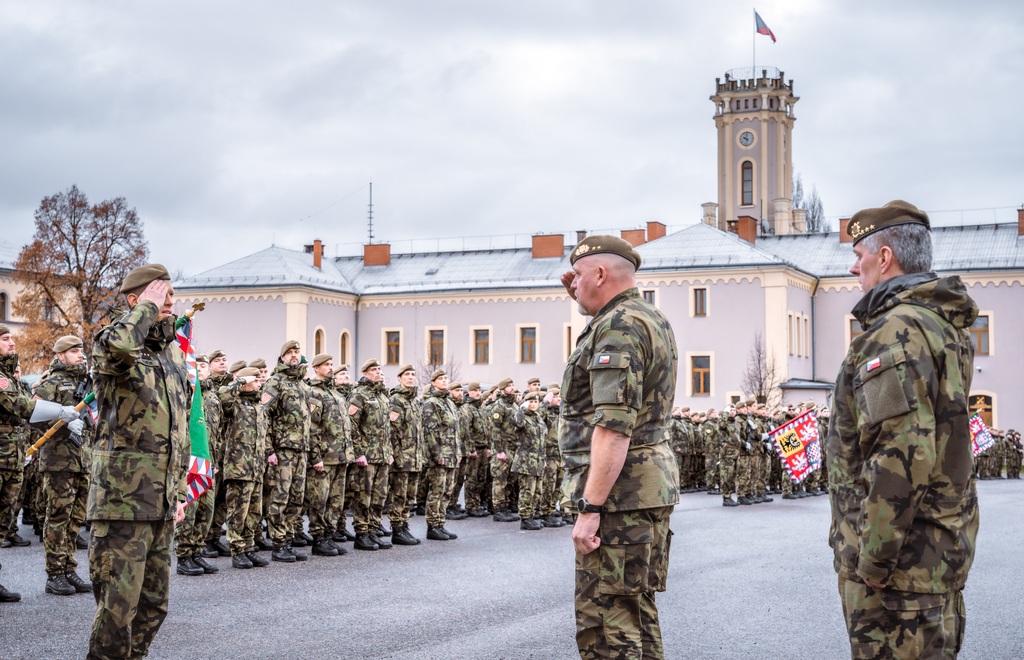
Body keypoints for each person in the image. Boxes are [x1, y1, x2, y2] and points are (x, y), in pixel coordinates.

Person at [827, 201, 979, 659]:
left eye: (860, 256)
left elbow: (901, 455)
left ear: (886, 257)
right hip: (934, 549)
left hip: (899, 569)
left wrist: (873, 559)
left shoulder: (894, 332)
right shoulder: (938, 325)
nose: (856, 268)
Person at [558, 235, 679, 659]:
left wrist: (590, 509)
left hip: (619, 498)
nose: (572, 284)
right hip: (639, 490)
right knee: (633, 612)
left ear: (601, 274)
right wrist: (582, 295)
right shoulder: (647, 317)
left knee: (608, 625)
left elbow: (612, 428)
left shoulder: (617, 328)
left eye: (577, 276)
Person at [86, 265, 190, 659]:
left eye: (170, 292)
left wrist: (178, 491)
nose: (169, 300)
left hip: (160, 502)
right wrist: (145, 309)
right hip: (122, 504)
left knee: (153, 609)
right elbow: (119, 348)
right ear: (135, 300)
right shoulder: (114, 343)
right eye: (159, 293)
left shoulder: (171, 355)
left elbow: (176, 430)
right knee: (117, 614)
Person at [33, 335, 93, 596]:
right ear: (60, 355)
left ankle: (69, 568)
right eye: (74, 351)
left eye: (81, 350)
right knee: (57, 517)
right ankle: (54, 573)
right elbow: (33, 417)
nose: (81, 354)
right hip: (58, 460)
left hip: (81, 459)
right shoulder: (51, 383)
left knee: (76, 518)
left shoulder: (86, 383)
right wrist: (62, 420)